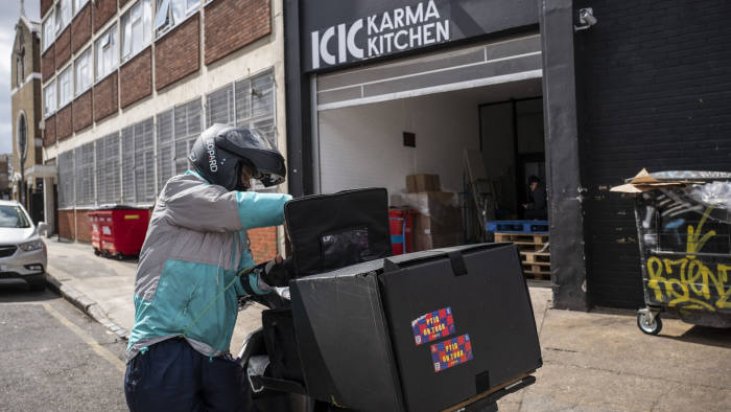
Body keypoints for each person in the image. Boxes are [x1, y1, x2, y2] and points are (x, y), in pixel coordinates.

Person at [123, 124, 293, 412]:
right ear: (222, 162)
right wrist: (295, 207)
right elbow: (227, 207)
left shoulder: (234, 231)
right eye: (245, 174)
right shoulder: (179, 192)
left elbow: (239, 282)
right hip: (164, 350)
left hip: (214, 353)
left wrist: (268, 277)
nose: (247, 183)